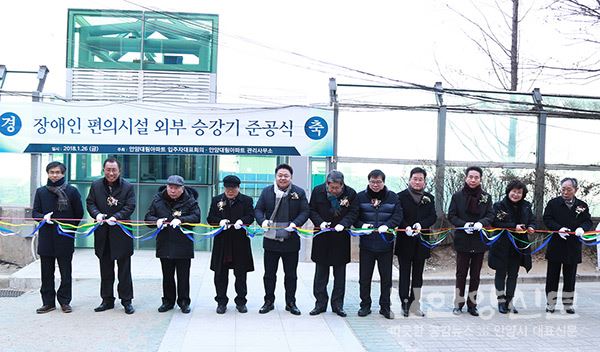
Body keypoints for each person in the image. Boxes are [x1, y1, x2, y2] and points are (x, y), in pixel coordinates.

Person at [255, 163, 309, 315]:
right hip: (271, 241)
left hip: (291, 241)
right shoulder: (267, 192)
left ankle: (290, 303)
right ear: (275, 176)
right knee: (269, 274)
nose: (283, 178)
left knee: (291, 275)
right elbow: (258, 209)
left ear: (291, 177)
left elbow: (305, 211)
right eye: (280, 175)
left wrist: (295, 224)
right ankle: (268, 301)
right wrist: (262, 221)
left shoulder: (299, 192)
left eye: (286, 176)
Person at [32, 161, 84, 314]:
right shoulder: (41, 192)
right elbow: (35, 213)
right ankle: (48, 302)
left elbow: (78, 214)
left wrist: (69, 228)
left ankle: (65, 301)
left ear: (63, 174)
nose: (54, 175)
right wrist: (43, 218)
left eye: (57, 172)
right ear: (47, 173)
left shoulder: (72, 191)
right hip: (46, 237)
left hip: (65, 237)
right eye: (51, 172)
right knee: (46, 272)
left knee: (65, 271)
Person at [86, 157, 136, 314]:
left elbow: (130, 206)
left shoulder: (127, 186)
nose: (111, 173)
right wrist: (97, 214)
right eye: (108, 170)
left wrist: (117, 217)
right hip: (103, 233)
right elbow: (90, 203)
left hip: (121, 233)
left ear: (119, 171)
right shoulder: (96, 185)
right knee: (105, 269)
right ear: (103, 170)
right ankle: (107, 300)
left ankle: (126, 301)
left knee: (124, 270)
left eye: (114, 170)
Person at [145, 175, 201, 314]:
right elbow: (148, 217)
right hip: (165, 243)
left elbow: (196, 217)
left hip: (183, 244)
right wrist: (156, 221)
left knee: (183, 276)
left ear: (182, 188)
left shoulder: (190, 200)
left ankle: (184, 301)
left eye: (176, 188)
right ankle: (168, 301)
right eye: (170, 187)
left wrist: (181, 220)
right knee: (167, 275)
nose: (173, 190)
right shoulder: (158, 200)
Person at [308, 170, 359, 317]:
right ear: (327, 184)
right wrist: (320, 222)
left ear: (342, 185)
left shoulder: (351, 193)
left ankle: (338, 305)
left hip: (340, 238)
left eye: (337, 188)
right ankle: (320, 304)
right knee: (320, 274)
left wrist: (344, 224)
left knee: (340, 274)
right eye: (331, 188)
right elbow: (311, 210)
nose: (334, 191)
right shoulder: (318, 191)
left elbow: (354, 212)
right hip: (322, 236)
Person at [354, 169, 403, 320]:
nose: (375, 185)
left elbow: (398, 215)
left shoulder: (392, 197)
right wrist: (363, 226)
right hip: (367, 244)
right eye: (372, 182)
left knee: (386, 278)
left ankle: (385, 307)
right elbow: (354, 216)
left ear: (383, 182)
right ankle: (365, 305)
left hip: (385, 245)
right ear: (368, 181)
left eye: (378, 182)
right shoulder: (360, 196)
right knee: (364, 277)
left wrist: (387, 226)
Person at [448, 166, 494, 317]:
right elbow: (452, 216)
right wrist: (464, 225)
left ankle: (472, 304)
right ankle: (458, 303)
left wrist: (482, 222)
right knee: (461, 274)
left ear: (480, 179)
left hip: (479, 241)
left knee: (475, 275)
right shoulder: (457, 196)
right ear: (466, 178)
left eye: (476, 177)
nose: (473, 180)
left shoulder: (486, 197)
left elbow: (490, 214)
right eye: (470, 177)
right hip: (463, 240)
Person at [543, 177, 592, 314]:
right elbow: (547, 219)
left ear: (575, 190)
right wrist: (558, 229)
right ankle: (550, 303)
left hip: (573, 245)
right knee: (552, 276)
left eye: (568, 189)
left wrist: (582, 228)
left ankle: (568, 304)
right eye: (563, 189)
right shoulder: (553, 203)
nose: (565, 192)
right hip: (556, 244)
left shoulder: (582, 205)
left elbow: (588, 221)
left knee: (570, 277)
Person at [207, 175, 255, 314]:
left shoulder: (246, 200)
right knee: (220, 274)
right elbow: (210, 218)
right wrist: (219, 222)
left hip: (240, 242)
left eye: (233, 189)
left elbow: (251, 216)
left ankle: (241, 301)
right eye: (227, 188)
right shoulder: (217, 200)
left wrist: (242, 221)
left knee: (240, 274)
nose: (230, 191)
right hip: (222, 242)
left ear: (238, 188)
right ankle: (221, 302)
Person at [395, 167, 437, 317]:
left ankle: (415, 303)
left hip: (422, 241)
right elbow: (397, 215)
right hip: (405, 241)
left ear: (425, 182)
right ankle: (404, 303)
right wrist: (405, 226)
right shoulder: (400, 196)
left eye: (421, 179)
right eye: (415, 179)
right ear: (410, 180)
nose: (418, 182)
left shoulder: (429, 198)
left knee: (418, 275)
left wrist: (422, 225)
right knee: (404, 274)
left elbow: (433, 216)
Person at [489, 180, 535, 314]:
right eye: (514, 191)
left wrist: (531, 227)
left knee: (513, 274)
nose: (516, 194)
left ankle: (509, 300)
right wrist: (513, 227)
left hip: (518, 245)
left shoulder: (526, 206)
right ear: (509, 191)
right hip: (502, 245)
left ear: (523, 194)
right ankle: (501, 300)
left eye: (519, 192)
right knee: (501, 273)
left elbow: (532, 220)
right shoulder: (499, 205)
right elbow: (495, 222)